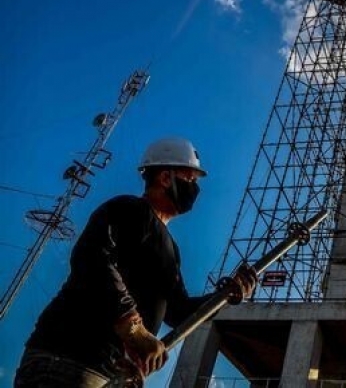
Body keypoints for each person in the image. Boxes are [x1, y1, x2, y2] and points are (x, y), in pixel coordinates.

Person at [14, 137, 257, 387]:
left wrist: (226, 295)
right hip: (67, 360)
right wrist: (133, 327)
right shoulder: (130, 210)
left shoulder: (170, 249)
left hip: (107, 373)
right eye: (190, 179)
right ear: (165, 178)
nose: (194, 189)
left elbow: (179, 311)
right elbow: (92, 256)